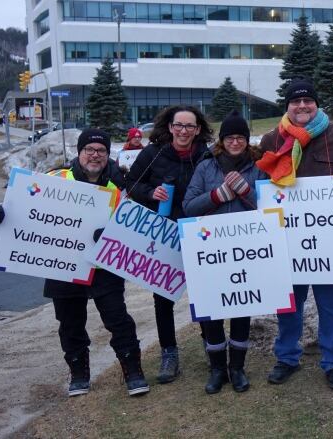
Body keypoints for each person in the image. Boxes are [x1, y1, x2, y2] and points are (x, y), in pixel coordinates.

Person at [0, 128, 148, 397]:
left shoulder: (119, 187)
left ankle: (132, 369)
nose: (95, 155)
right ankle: (78, 372)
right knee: (70, 323)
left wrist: (112, 234)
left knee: (118, 319)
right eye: (89, 149)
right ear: (79, 152)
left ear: (107, 154)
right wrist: (5, 214)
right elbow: (30, 208)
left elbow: (132, 226)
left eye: (101, 151)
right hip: (62, 265)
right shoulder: (57, 178)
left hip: (103, 267)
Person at [257, 78, 333, 389]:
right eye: (295, 101)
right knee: (288, 303)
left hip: (330, 242)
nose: (302, 106)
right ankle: (286, 357)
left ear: (316, 104)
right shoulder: (271, 140)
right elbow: (263, 188)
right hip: (288, 240)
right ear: (287, 106)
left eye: (308, 101)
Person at [125, 105, 213, 384]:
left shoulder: (207, 155)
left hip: (200, 232)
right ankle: (169, 352)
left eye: (190, 126)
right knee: (162, 297)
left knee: (205, 292)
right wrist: (152, 192)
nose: (184, 131)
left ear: (198, 129)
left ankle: (212, 346)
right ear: (170, 126)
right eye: (179, 125)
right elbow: (131, 184)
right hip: (163, 233)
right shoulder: (153, 154)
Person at [183, 110, 266, 394]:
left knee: (241, 306)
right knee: (211, 309)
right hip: (211, 248)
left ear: (246, 140)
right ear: (222, 140)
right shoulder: (207, 167)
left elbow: (271, 210)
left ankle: (237, 368)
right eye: (230, 137)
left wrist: (247, 193)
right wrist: (218, 195)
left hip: (245, 248)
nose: (235, 142)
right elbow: (189, 206)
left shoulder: (258, 166)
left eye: (240, 137)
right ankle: (217, 368)